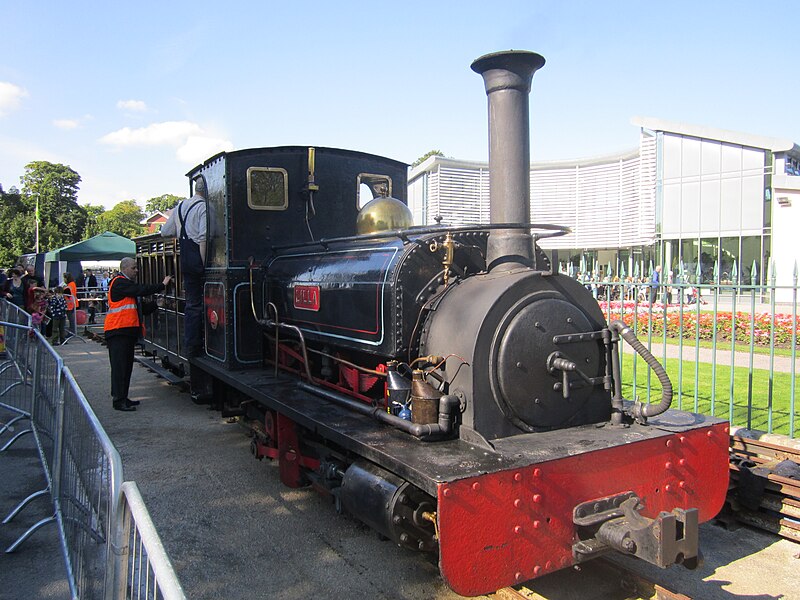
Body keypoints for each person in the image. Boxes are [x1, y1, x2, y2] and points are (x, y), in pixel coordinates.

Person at [104, 257, 172, 412]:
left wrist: (157, 304)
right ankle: (118, 400)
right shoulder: (119, 283)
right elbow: (141, 289)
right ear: (125, 268)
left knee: (125, 367)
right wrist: (161, 285)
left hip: (125, 332)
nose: (136, 270)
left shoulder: (126, 286)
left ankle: (123, 398)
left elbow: (140, 309)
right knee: (120, 367)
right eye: (134, 268)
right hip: (118, 331)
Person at [161, 177, 207, 357]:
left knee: (191, 304)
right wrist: (203, 265)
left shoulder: (180, 206)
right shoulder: (203, 207)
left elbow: (165, 232)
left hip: (185, 258)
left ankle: (191, 344)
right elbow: (203, 238)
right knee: (197, 304)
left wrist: (182, 229)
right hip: (197, 257)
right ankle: (197, 346)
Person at [63, 272, 78, 337]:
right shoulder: (72, 284)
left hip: (70, 305)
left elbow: (67, 294)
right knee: (72, 320)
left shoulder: (69, 285)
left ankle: (72, 332)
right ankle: (72, 332)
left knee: (71, 320)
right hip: (72, 304)